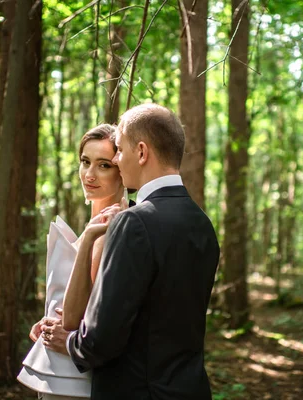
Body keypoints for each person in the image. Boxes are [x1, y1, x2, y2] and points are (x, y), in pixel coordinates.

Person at [43, 103, 220, 400]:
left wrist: (70, 341)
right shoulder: (202, 223)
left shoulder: (134, 222)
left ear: (141, 152)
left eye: (120, 152)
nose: (118, 160)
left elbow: (102, 340)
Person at [18, 124, 128, 400]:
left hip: (75, 379)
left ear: (122, 171)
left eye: (104, 165)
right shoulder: (96, 224)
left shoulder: (111, 229)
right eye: (85, 162)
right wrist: (48, 319)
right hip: (57, 367)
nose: (89, 175)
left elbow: (83, 316)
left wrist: (66, 329)